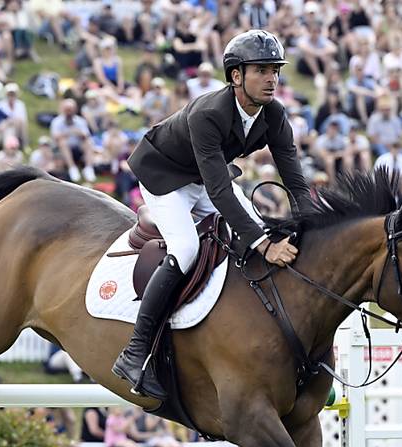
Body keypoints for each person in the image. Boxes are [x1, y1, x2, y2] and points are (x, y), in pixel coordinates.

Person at [112, 30, 310, 400]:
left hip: (205, 176)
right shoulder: (209, 113)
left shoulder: (274, 113)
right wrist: (265, 244)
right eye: (262, 70)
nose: (272, 79)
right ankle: (135, 351)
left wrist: (311, 224)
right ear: (236, 75)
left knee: (254, 226)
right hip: (166, 177)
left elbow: (294, 178)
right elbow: (219, 193)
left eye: (276, 70)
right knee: (186, 248)